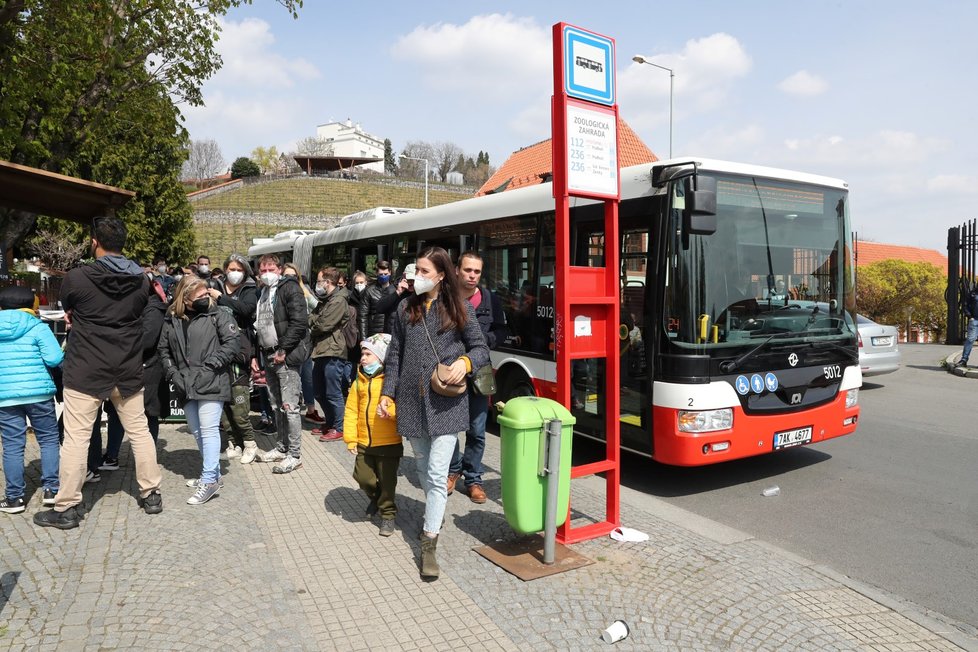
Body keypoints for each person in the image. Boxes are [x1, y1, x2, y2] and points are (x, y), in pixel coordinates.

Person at [34, 216, 163, 530]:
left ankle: (66, 507)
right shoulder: (141, 280)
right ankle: (151, 493)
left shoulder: (77, 278)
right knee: (140, 431)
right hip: (128, 367)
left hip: (88, 366)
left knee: (76, 439)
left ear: (94, 242)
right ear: (123, 243)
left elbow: (71, 308)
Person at [378, 246, 489, 580]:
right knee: (425, 471)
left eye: (425, 271)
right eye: (416, 270)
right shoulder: (403, 309)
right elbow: (395, 354)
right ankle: (434, 512)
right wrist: (387, 394)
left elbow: (481, 349)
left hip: (447, 404)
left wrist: (464, 363)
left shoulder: (459, 307)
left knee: (438, 474)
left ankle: (429, 543)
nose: (418, 276)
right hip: (411, 403)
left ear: (442, 275)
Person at [159, 276, 240, 504]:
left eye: (208, 293)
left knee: (209, 429)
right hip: (185, 382)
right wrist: (172, 373)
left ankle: (209, 480)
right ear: (185, 298)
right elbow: (163, 350)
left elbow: (232, 343)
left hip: (211, 379)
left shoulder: (219, 315)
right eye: (201, 295)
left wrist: (211, 365)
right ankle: (212, 473)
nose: (207, 297)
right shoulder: (171, 318)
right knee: (196, 430)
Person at [447, 251, 507, 504]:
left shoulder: (491, 300)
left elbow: (502, 331)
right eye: (468, 270)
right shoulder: (444, 298)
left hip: (480, 373)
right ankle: (452, 471)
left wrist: (484, 343)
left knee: (478, 430)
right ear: (457, 270)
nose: (472, 276)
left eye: (477, 272)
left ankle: (473, 479)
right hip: (450, 372)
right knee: (448, 428)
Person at [92, 276, 169, 472]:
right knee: (116, 413)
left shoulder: (153, 309)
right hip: (128, 366)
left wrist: (119, 345)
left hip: (147, 368)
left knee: (148, 414)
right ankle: (112, 455)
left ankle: (146, 460)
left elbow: (147, 340)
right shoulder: (134, 306)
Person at [0, 287, 64, 514]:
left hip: (5, 395)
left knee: (12, 446)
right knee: (48, 439)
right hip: (39, 392)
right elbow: (55, 358)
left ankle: (15, 498)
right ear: (32, 304)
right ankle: (52, 490)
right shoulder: (37, 327)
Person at [253, 254, 310, 474]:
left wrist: (283, 350)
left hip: (285, 356)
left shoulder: (290, 288)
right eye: (262, 270)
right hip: (268, 355)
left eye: (270, 269)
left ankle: (294, 454)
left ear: (279, 269)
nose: (266, 274)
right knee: (276, 405)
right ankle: (281, 446)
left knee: (290, 407)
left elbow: (299, 322)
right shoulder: (264, 292)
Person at [343, 333, 401, 537]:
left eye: (368, 354)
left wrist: (391, 412)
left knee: (387, 482)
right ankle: (377, 499)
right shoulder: (358, 382)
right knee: (362, 477)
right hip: (364, 442)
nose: (363, 358)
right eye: (362, 354)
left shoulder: (392, 382)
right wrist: (350, 438)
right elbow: (351, 410)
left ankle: (388, 514)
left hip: (389, 443)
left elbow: (403, 410)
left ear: (382, 357)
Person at [208, 253, 261, 463]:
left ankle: (250, 443)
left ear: (245, 272)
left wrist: (221, 298)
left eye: (239, 269)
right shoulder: (215, 285)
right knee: (224, 403)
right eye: (231, 269)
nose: (235, 273)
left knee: (239, 406)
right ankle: (234, 442)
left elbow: (246, 310)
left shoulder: (249, 290)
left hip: (240, 351)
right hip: (217, 350)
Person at [308, 266, 351, 442]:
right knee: (319, 392)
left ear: (327, 282)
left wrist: (314, 323)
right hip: (320, 350)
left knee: (333, 392)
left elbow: (323, 325)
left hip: (333, 350)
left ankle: (339, 427)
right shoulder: (326, 300)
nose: (317, 285)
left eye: (319, 281)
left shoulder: (339, 301)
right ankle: (330, 422)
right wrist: (315, 322)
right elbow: (311, 318)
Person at [283, 263, 324, 424]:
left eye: (293, 276)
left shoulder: (303, 290)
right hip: (287, 340)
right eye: (287, 276)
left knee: (307, 377)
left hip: (304, 341)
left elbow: (318, 307)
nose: (290, 280)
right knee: (290, 378)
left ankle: (311, 410)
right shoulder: (279, 292)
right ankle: (287, 410)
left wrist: (306, 293)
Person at [360, 260, 397, 337]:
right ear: (377, 273)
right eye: (381, 274)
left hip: (391, 332)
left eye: (385, 274)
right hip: (374, 333)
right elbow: (363, 316)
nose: (383, 276)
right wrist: (363, 338)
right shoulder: (369, 291)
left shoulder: (396, 291)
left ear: (390, 272)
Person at [957, 284, 978, 367]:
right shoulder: (973, 293)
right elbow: (965, 305)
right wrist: (970, 316)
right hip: (974, 320)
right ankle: (964, 360)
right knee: (970, 339)